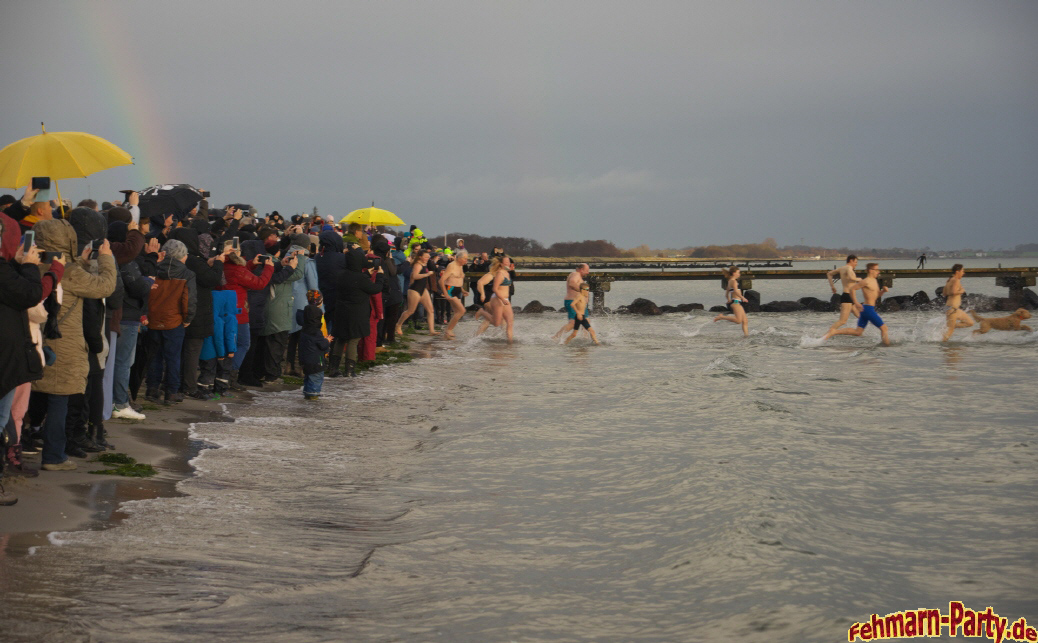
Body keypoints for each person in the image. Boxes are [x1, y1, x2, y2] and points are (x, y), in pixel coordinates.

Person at [29, 219, 117, 471]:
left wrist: (83, 261)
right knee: (59, 400)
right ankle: (53, 456)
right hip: (63, 345)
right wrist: (106, 259)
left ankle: (19, 447)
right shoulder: (70, 273)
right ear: (68, 241)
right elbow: (105, 286)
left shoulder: (31, 266)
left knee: (28, 400)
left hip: (34, 340)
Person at [144, 239, 197, 405]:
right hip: (174, 320)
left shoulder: (154, 268)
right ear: (182, 256)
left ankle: (152, 389)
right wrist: (188, 319)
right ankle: (171, 392)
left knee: (154, 356)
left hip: (153, 318)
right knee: (173, 357)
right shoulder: (187, 274)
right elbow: (189, 299)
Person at [822, 262, 891, 346]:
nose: (878, 271)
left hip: (867, 309)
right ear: (870, 270)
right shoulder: (866, 281)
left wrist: (883, 291)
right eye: (876, 270)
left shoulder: (874, 281)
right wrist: (856, 303)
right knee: (884, 328)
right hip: (868, 309)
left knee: (858, 332)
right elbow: (852, 289)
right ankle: (887, 348)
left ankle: (835, 331)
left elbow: (876, 296)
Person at [395, 249, 437, 336]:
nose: (427, 258)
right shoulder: (417, 265)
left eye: (428, 256)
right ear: (420, 257)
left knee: (430, 310)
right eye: (425, 257)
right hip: (414, 289)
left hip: (423, 289)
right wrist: (427, 274)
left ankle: (432, 331)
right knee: (410, 311)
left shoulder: (425, 263)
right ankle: (398, 324)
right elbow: (415, 276)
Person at [297, 290, 329, 399]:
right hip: (316, 361)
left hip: (305, 360)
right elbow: (323, 345)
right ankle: (312, 396)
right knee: (316, 378)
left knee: (309, 377)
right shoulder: (316, 332)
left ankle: (307, 394)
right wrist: (327, 340)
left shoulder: (305, 328)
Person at [825, 255, 862, 333]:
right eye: (855, 262)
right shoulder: (849, 268)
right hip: (847, 296)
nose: (856, 264)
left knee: (860, 316)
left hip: (850, 297)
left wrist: (832, 286)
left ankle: (861, 332)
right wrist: (860, 279)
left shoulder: (842, 268)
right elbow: (851, 278)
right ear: (851, 261)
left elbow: (829, 274)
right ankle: (827, 334)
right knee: (842, 321)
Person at [553, 263, 590, 339]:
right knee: (573, 323)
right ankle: (555, 338)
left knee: (586, 322)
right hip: (572, 301)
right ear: (581, 270)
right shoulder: (575, 274)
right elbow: (572, 283)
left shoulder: (579, 277)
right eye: (587, 270)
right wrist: (583, 292)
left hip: (580, 304)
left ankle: (585, 340)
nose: (588, 272)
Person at [712, 265, 750, 336]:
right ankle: (721, 317)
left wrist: (729, 299)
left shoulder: (730, 281)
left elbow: (727, 293)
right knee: (738, 321)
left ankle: (746, 336)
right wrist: (743, 298)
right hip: (736, 303)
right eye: (738, 273)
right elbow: (735, 291)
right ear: (733, 273)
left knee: (745, 321)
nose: (739, 274)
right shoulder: (734, 281)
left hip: (736, 303)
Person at [439, 250, 468, 339]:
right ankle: (449, 329)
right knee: (462, 311)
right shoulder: (451, 266)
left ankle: (448, 331)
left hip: (458, 289)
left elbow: (458, 279)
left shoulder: (460, 266)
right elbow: (441, 280)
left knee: (456, 312)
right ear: (459, 258)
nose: (466, 261)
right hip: (450, 289)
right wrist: (445, 293)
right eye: (465, 259)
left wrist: (462, 290)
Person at [941, 263, 973, 341]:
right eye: (962, 271)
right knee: (950, 331)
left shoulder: (949, 280)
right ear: (957, 271)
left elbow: (944, 293)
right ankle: (943, 346)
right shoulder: (956, 280)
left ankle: (950, 326)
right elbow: (953, 292)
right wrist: (961, 291)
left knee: (970, 323)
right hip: (952, 308)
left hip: (953, 308)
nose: (963, 273)